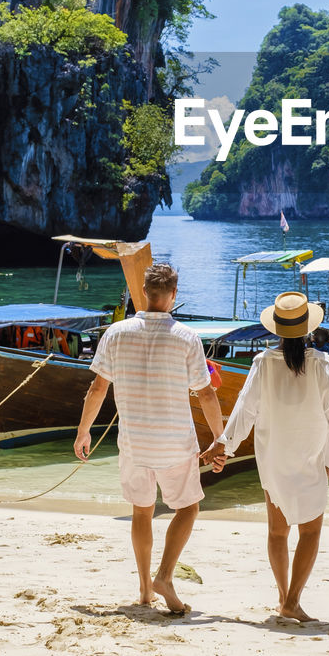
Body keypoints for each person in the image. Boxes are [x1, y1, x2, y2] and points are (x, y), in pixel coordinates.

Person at [201, 291, 329, 623]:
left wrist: (223, 445)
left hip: (272, 455)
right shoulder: (321, 363)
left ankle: (282, 598)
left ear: (277, 329)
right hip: (309, 455)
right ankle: (291, 601)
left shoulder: (262, 363)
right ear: (308, 328)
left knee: (278, 532)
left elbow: (244, 411)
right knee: (310, 532)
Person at [74, 262, 223, 614]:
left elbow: (97, 388)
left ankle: (144, 591)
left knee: (142, 511)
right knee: (187, 507)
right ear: (173, 296)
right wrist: (219, 438)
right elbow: (206, 395)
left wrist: (84, 431)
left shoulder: (116, 333)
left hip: (134, 442)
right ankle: (165, 575)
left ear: (144, 292)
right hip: (175, 442)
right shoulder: (187, 338)